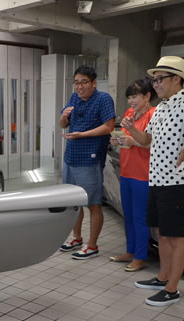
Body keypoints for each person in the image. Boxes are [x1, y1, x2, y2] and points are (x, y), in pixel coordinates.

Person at [123, 56, 184, 306]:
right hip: (156, 181)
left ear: (176, 79)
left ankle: (172, 289)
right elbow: (147, 141)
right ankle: (162, 278)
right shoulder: (161, 107)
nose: (155, 84)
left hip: (176, 182)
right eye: (154, 80)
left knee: (175, 236)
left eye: (160, 79)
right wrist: (132, 128)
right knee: (161, 233)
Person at [59, 65, 116, 259]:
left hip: (90, 158)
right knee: (73, 202)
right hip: (70, 157)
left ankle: (92, 245)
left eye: (84, 82)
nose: (79, 86)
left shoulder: (103, 99)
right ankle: (77, 237)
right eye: (76, 82)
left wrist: (82, 134)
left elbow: (108, 127)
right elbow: (63, 124)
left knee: (93, 203)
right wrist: (64, 117)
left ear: (94, 83)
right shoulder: (74, 98)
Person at [108, 78, 157, 272]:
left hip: (143, 174)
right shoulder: (130, 113)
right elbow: (125, 138)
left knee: (139, 217)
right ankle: (130, 251)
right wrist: (117, 140)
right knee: (127, 214)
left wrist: (133, 141)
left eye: (134, 97)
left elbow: (154, 144)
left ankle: (140, 256)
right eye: (129, 97)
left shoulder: (154, 114)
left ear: (147, 96)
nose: (131, 101)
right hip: (126, 170)